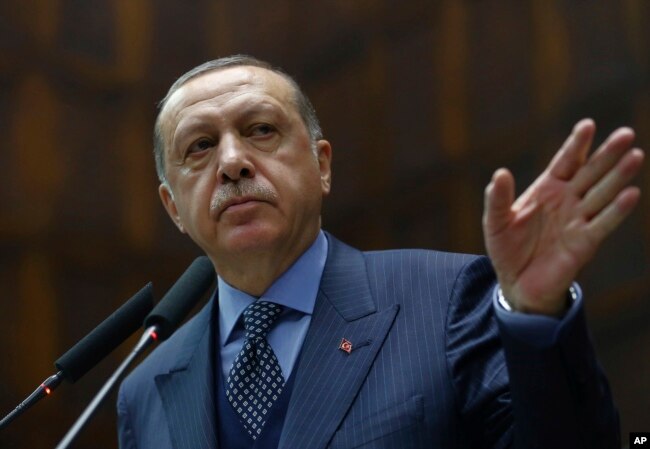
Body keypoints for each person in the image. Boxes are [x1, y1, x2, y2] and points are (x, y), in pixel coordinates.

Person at [117, 55, 644, 449]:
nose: (232, 162)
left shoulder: (447, 301)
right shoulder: (144, 391)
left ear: (322, 165)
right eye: (200, 146)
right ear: (174, 209)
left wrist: (535, 319)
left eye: (260, 130)